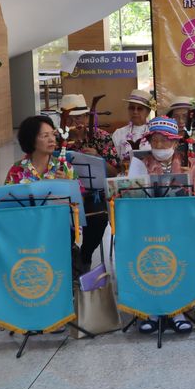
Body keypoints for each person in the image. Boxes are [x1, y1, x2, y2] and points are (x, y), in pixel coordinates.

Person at [135, 117, 195, 334]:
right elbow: (129, 194)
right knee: (150, 257)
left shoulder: (190, 163)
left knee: (181, 257)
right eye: (155, 140)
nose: (159, 145)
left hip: (183, 224)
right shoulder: (141, 163)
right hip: (150, 224)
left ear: (175, 142)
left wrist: (192, 182)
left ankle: (179, 311)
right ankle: (152, 310)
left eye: (164, 140)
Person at [60, 94, 119, 277]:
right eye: (70, 119)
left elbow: (115, 172)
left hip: (95, 193)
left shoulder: (101, 137)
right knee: (60, 221)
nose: (76, 123)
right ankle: (70, 257)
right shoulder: (57, 139)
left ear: (87, 117)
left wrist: (99, 158)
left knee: (99, 218)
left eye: (79, 117)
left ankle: (85, 257)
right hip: (65, 195)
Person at [5, 115, 76, 184]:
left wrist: (67, 183)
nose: (52, 139)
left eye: (53, 134)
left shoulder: (65, 167)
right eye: (45, 136)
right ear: (31, 139)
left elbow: (78, 191)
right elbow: (6, 192)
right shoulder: (16, 170)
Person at [111, 89, 152, 166]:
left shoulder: (154, 132)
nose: (135, 112)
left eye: (139, 109)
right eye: (132, 108)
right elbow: (115, 161)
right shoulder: (119, 133)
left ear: (148, 112)